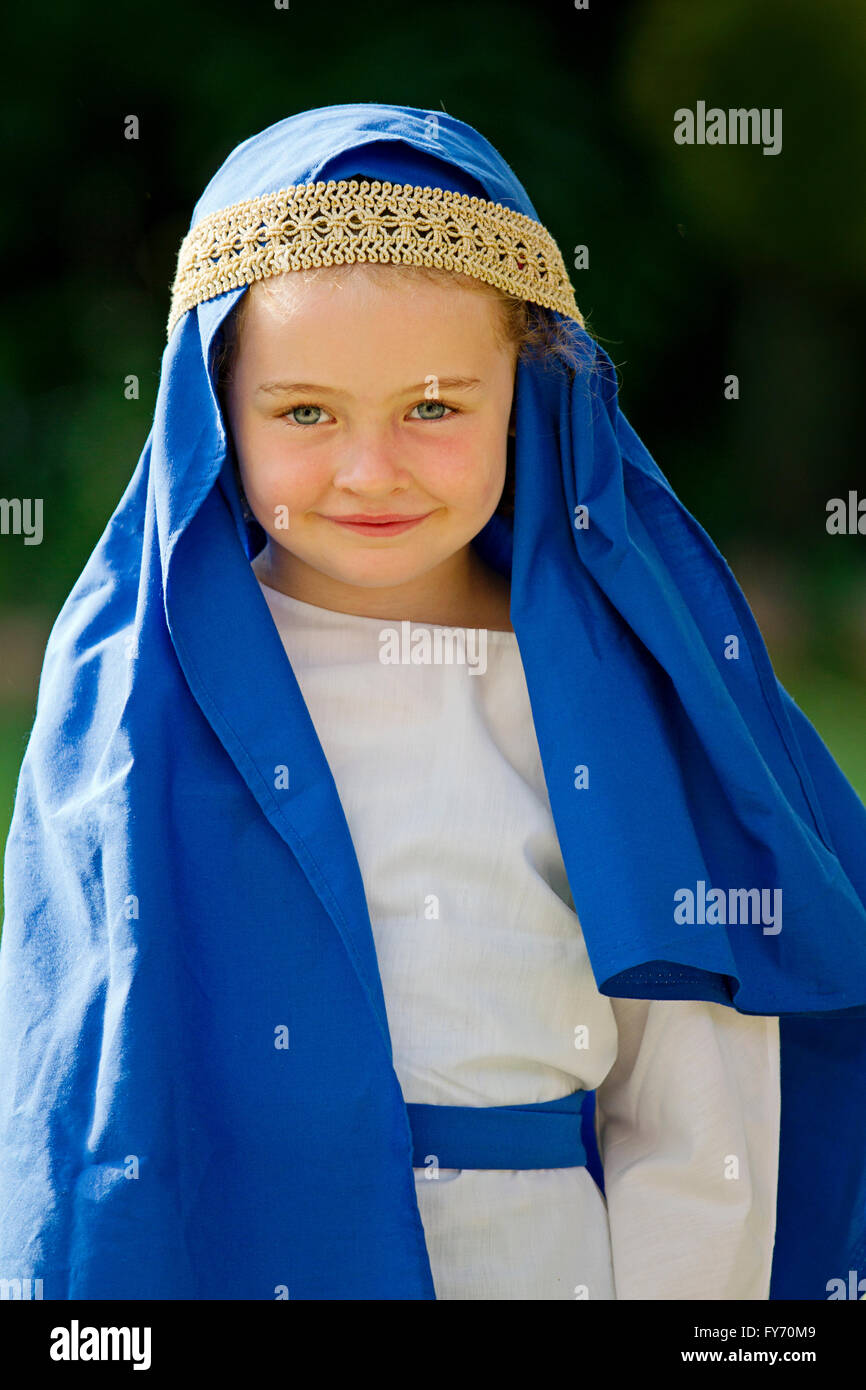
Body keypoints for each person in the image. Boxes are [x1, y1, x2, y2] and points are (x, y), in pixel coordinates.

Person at [1, 102, 865, 1302]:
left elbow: (693, 1107)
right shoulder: (137, 706)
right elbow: (74, 1097)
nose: (369, 470)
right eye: (304, 412)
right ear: (213, 409)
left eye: (433, 407)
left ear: (528, 391)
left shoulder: (617, 693)